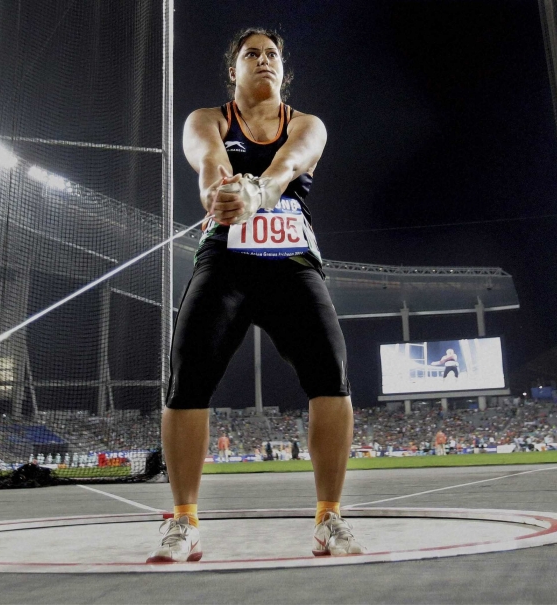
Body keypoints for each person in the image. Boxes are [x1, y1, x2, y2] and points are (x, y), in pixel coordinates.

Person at [147, 28, 362, 564]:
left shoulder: (307, 124)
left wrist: (257, 193)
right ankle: (184, 523)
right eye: (252, 55)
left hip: (291, 264)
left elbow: (289, 165)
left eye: (272, 55)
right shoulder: (207, 118)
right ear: (233, 70)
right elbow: (208, 167)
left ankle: (328, 518)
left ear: (284, 70)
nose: (263, 61)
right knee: (187, 377)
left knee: (331, 376)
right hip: (225, 262)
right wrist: (221, 196)